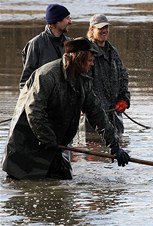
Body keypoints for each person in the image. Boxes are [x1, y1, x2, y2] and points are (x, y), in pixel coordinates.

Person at [2, 38, 130, 180]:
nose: (92, 64)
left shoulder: (84, 82)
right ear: (78, 58)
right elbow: (34, 111)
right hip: (28, 145)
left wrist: (114, 145)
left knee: (63, 183)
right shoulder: (47, 75)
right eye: (89, 60)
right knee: (24, 186)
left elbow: (97, 114)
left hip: (55, 145)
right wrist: (48, 139)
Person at [86, 14, 130, 137]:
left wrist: (124, 98)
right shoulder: (86, 52)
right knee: (94, 148)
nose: (104, 30)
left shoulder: (113, 51)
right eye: (100, 28)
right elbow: (82, 82)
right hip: (93, 115)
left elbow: (123, 75)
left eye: (106, 27)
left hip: (115, 114)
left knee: (119, 144)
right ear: (91, 30)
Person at [19, 4, 72, 89]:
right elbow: (26, 81)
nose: (70, 22)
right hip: (43, 99)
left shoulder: (70, 43)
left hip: (65, 100)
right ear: (56, 22)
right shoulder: (36, 44)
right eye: (67, 18)